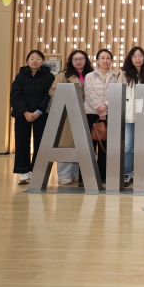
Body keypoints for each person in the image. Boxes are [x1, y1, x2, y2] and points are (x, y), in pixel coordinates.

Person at [49, 49, 93, 185]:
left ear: (86, 60)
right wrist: (69, 98)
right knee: (66, 144)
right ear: (71, 61)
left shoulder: (91, 75)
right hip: (68, 114)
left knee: (81, 145)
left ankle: (76, 173)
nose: (78, 61)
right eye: (75, 59)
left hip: (86, 113)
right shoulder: (64, 75)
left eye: (81, 59)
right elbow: (53, 91)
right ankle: (64, 175)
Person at [10, 50, 54, 185]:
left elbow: (49, 95)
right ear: (27, 61)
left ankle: (37, 172)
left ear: (43, 61)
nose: (35, 61)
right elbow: (15, 96)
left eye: (38, 58)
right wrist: (25, 112)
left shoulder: (49, 77)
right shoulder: (20, 76)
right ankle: (23, 172)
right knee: (22, 142)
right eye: (32, 58)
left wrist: (38, 111)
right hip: (22, 114)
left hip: (41, 114)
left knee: (41, 143)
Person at [118, 47, 144, 187]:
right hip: (128, 115)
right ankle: (127, 173)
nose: (137, 58)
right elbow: (118, 94)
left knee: (143, 146)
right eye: (134, 56)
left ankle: (140, 172)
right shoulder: (123, 74)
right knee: (127, 147)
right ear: (130, 58)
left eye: (140, 55)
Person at [83, 49, 119, 184]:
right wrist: (101, 110)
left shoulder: (116, 76)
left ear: (111, 60)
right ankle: (86, 178)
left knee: (106, 146)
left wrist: (106, 106)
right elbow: (89, 93)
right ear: (97, 60)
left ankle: (103, 175)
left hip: (109, 114)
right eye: (102, 58)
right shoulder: (89, 76)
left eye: (108, 58)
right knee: (89, 146)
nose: (105, 61)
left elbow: (116, 94)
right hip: (92, 114)